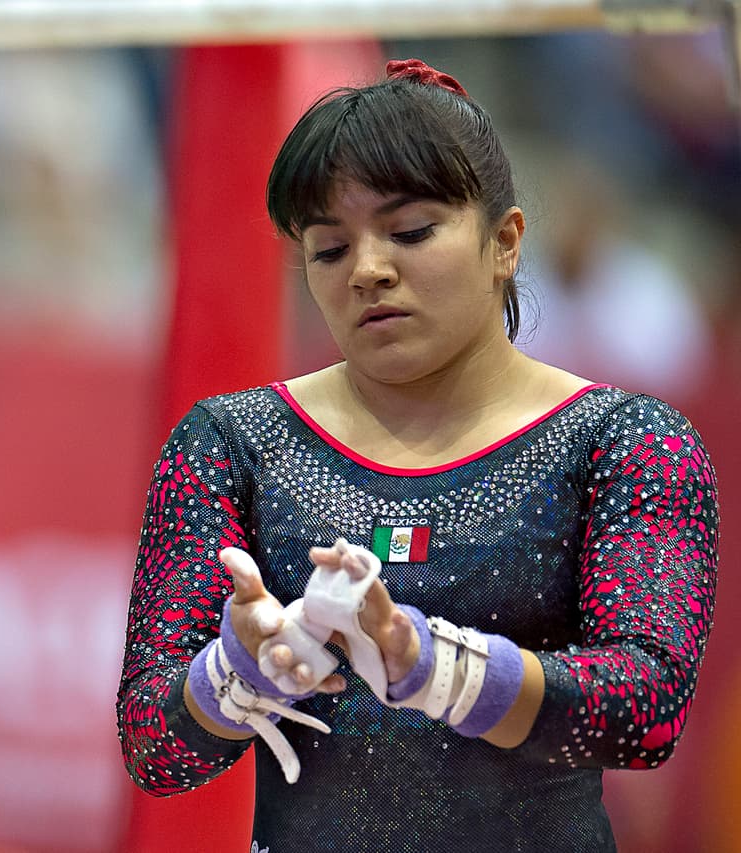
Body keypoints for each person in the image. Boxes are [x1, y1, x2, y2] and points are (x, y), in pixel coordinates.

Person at [116, 59, 717, 852]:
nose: (369, 269)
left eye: (409, 232)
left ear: (504, 242)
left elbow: (649, 708)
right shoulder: (234, 442)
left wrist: (431, 663)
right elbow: (153, 749)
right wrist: (236, 671)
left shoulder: (627, 442)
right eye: (330, 249)